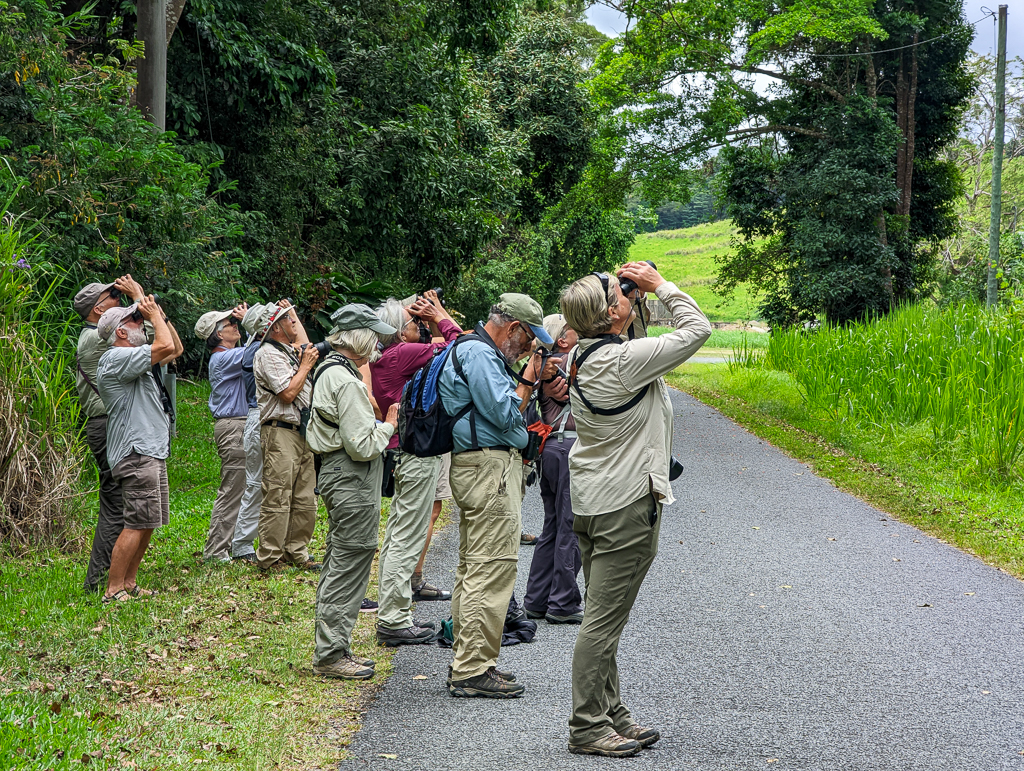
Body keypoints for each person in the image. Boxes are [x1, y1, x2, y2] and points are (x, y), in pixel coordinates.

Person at [559, 262, 711, 757]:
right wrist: (661, 286)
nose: (627, 292)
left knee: (606, 616)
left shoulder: (583, 356)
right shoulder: (622, 363)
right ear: (609, 313)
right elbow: (697, 329)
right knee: (602, 622)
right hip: (625, 506)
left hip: (592, 501)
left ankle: (612, 712)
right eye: (617, 292)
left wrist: (630, 303)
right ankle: (586, 726)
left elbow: (631, 339)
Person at [439, 293, 557, 699]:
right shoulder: (481, 355)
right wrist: (527, 391)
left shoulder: (472, 350)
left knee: (475, 566)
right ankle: (471, 670)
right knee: (492, 567)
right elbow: (506, 415)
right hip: (488, 468)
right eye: (528, 340)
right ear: (513, 328)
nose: (528, 349)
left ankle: (472, 661)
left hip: (480, 465)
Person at [307, 305, 400, 679]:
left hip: (340, 475)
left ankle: (335, 647)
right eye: (374, 334)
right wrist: (389, 425)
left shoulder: (331, 369)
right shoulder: (346, 380)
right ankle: (330, 654)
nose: (378, 342)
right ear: (358, 336)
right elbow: (362, 445)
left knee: (342, 560)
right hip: (350, 476)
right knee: (348, 563)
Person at [370, 292, 462, 646]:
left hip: (399, 451)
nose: (419, 327)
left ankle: (394, 612)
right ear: (399, 330)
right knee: (407, 537)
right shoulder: (402, 354)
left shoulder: (385, 357)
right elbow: (459, 345)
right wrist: (439, 314)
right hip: (415, 452)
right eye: (413, 323)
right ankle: (394, 620)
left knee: (398, 534)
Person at [95, 296, 184, 603]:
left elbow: (174, 348)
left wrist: (156, 312)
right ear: (120, 332)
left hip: (149, 450)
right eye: (135, 320)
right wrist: (154, 314)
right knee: (135, 522)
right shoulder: (116, 359)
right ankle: (113, 589)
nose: (142, 323)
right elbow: (162, 346)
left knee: (148, 522)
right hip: (135, 452)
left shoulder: (134, 357)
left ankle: (129, 582)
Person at [74, 275, 147, 592]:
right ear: (98, 309)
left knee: (116, 504)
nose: (120, 303)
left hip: (106, 424)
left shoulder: (93, 336)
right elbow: (145, 338)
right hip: (107, 425)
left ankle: (106, 578)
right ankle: (100, 582)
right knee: (116, 506)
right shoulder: (95, 338)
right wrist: (139, 296)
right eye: (114, 298)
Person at [523, 313, 584, 625]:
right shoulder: (564, 363)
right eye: (576, 329)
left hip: (550, 450)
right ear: (562, 338)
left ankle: (536, 599)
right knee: (571, 526)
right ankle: (563, 602)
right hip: (571, 448)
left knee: (553, 524)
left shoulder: (543, 365)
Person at [252, 303, 320, 572]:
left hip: (303, 432)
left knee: (305, 497)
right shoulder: (267, 354)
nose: (295, 321)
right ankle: (269, 557)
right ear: (276, 327)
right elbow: (288, 393)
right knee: (278, 496)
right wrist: (305, 366)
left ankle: (296, 552)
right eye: (289, 318)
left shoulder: (287, 351)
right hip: (280, 431)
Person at [194, 304, 252, 563]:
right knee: (232, 489)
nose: (235, 324)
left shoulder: (228, 355)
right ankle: (216, 551)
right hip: (233, 426)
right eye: (230, 323)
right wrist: (252, 321)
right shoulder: (223, 358)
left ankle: (232, 546)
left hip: (237, 425)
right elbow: (258, 352)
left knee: (241, 487)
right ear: (217, 334)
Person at [231, 302, 273, 563]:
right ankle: (242, 544)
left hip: (258, 416)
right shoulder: (258, 349)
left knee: (261, 483)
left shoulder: (253, 346)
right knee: (256, 484)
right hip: (258, 416)